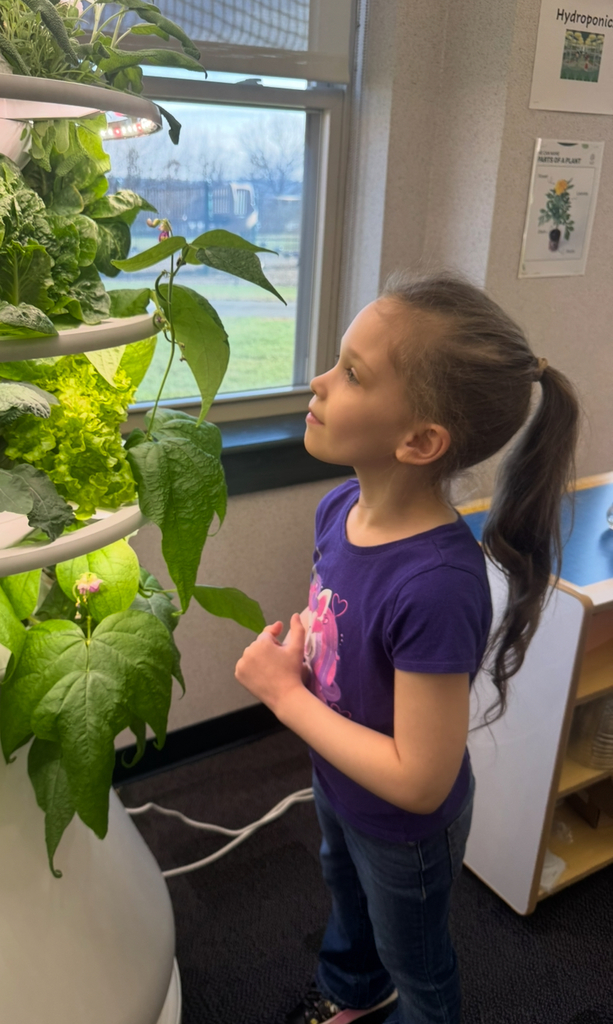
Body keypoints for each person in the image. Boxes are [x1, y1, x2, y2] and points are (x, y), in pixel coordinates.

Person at [234, 272, 580, 1024]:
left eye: (352, 373)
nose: (320, 382)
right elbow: (341, 614)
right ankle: (356, 993)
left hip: (404, 831)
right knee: (343, 893)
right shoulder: (338, 508)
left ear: (420, 441)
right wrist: (302, 652)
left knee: (417, 961)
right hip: (339, 777)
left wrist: (285, 696)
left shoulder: (437, 584)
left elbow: (421, 781)